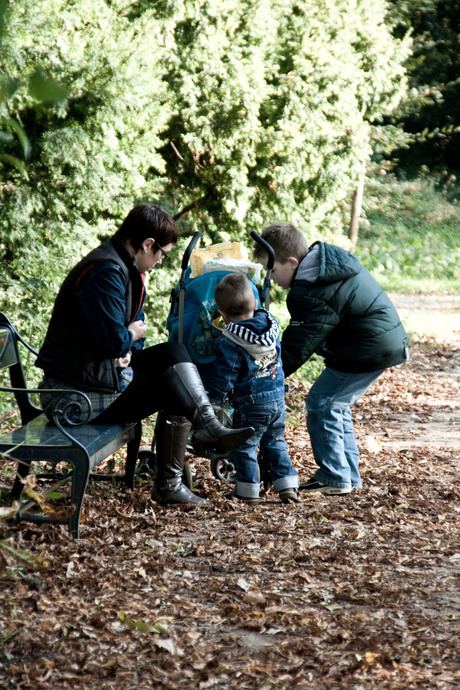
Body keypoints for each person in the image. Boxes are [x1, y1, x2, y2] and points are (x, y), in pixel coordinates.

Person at [36, 204, 254, 506]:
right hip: (71, 397)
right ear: (147, 244)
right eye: (161, 253)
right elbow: (117, 339)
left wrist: (128, 345)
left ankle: (206, 429)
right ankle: (172, 480)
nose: (160, 260)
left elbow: (126, 337)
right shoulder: (105, 272)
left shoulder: (124, 268)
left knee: (175, 355)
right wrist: (129, 339)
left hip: (97, 378)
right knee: (173, 383)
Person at [253, 223, 410, 495]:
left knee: (322, 402)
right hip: (377, 342)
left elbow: (296, 347)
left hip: (368, 347)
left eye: (272, 270)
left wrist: (267, 375)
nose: (271, 278)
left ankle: (335, 475)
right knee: (335, 405)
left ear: (292, 262)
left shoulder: (312, 290)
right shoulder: (324, 266)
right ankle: (346, 475)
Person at [204, 273, 300, 505]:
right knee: (275, 441)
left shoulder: (229, 341)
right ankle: (287, 485)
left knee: (245, 445)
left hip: (251, 404)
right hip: (277, 398)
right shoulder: (271, 327)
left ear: (222, 315)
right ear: (256, 304)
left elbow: (225, 376)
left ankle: (247, 491)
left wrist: (213, 400)